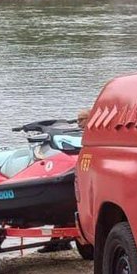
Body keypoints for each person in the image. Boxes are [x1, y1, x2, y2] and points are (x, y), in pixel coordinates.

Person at [38, 109, 89, 254]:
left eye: (81, 120)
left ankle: (58, 241)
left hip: (82, 175)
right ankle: (58, 240)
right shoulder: (76, 136)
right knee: (62, 206)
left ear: (89, 119)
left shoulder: (91, 135)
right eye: (77, 120)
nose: (78, 123)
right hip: (72, 174)